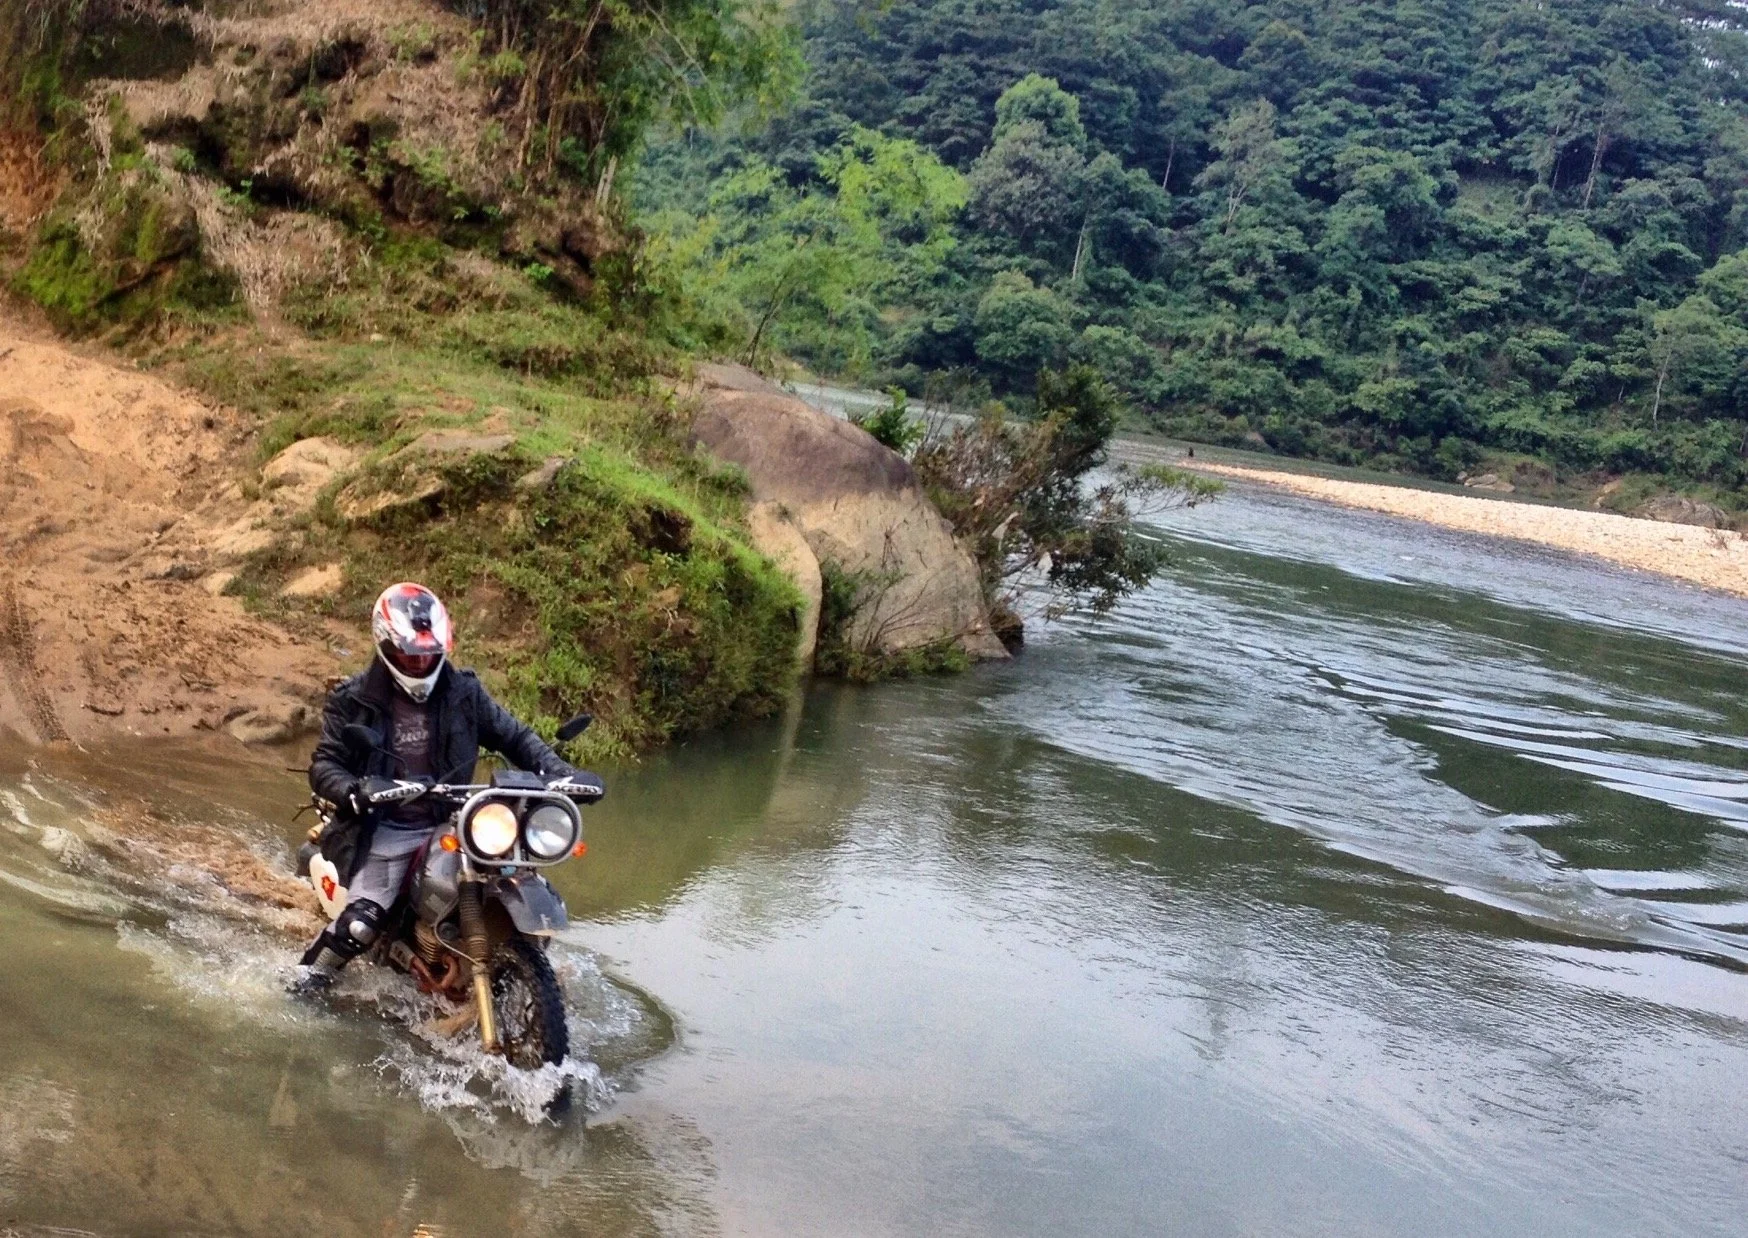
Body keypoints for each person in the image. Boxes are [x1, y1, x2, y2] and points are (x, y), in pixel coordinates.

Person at [291, 582, 598, 995]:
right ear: (384, 645)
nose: (419, 663)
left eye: (428, 654)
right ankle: (304, 983)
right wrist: (355, 790)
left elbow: (516, 738)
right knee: (360, 924)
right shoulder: (354, 699)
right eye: (408, 655)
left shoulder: (464, 692)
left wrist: (560, 772)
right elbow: (326, 764)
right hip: (387, 827)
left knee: (513, 875)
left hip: (457, 822)